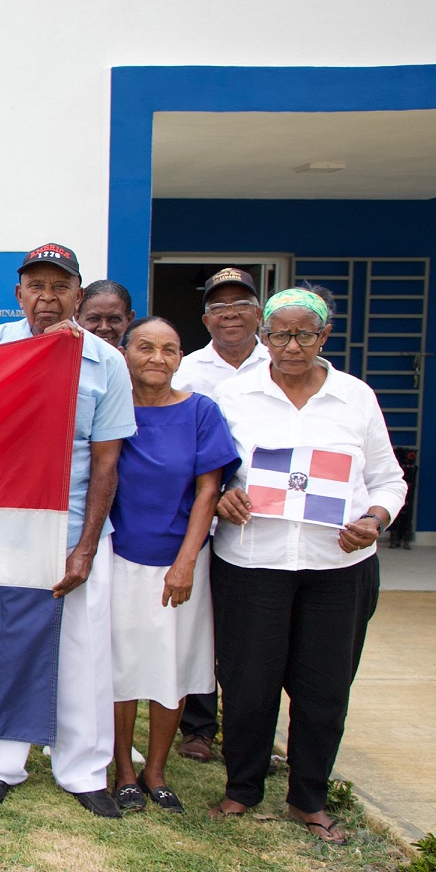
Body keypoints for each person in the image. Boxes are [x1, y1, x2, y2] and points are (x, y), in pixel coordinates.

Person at [209, 286, 404, 843]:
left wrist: (376, 518)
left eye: (305, 334)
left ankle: (308, 797)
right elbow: (211, 470)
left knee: (325, 688)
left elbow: (389, 479)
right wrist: (225, 493)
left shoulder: (356, 398)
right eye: (279, 334)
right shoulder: (233, 395)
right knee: (248, 683)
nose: (291, 346)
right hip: (253, 562)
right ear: (262, 336)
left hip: (337, 568)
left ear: (324, 336)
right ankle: (242, 788)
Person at [0, 244, 136, 818]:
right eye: (35, 286)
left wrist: (86, 546)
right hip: (2, 527)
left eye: (59, 286)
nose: (47, 297)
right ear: (18, 294)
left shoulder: (106, 363)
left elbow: (108, 463)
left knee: (83, 653)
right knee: (0, 644)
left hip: (75, 526)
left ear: (78, 296)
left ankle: (83, 771)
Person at [106, 317, 239, 814]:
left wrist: (184, 562)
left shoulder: (202, 411)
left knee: (171, 664)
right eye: (145, 347)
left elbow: (209, 490)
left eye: (169, 349)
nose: (157, 358)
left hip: (182, 561)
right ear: (125, 352)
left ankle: (155, 771)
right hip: (118, 556)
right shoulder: (110, 409)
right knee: (120, 666)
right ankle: (122, 769)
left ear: (181, 358)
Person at [170, 268, 271, 763]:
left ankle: (253, 731)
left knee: (247, 634)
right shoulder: (186, 371)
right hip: (201, 520)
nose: (230, 313)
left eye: (241, 304)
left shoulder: (286, 362)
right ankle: (199, 726)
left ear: (259, 313)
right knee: (202, 625)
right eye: (219, 306)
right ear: (206, 317)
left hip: (268, 527)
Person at [77, 280, 135, 348]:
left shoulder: (140, 357)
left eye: (114, 319)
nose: (104, 328)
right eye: (94, 319)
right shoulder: (65, 357)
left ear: (129, 319)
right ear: (77, 317)